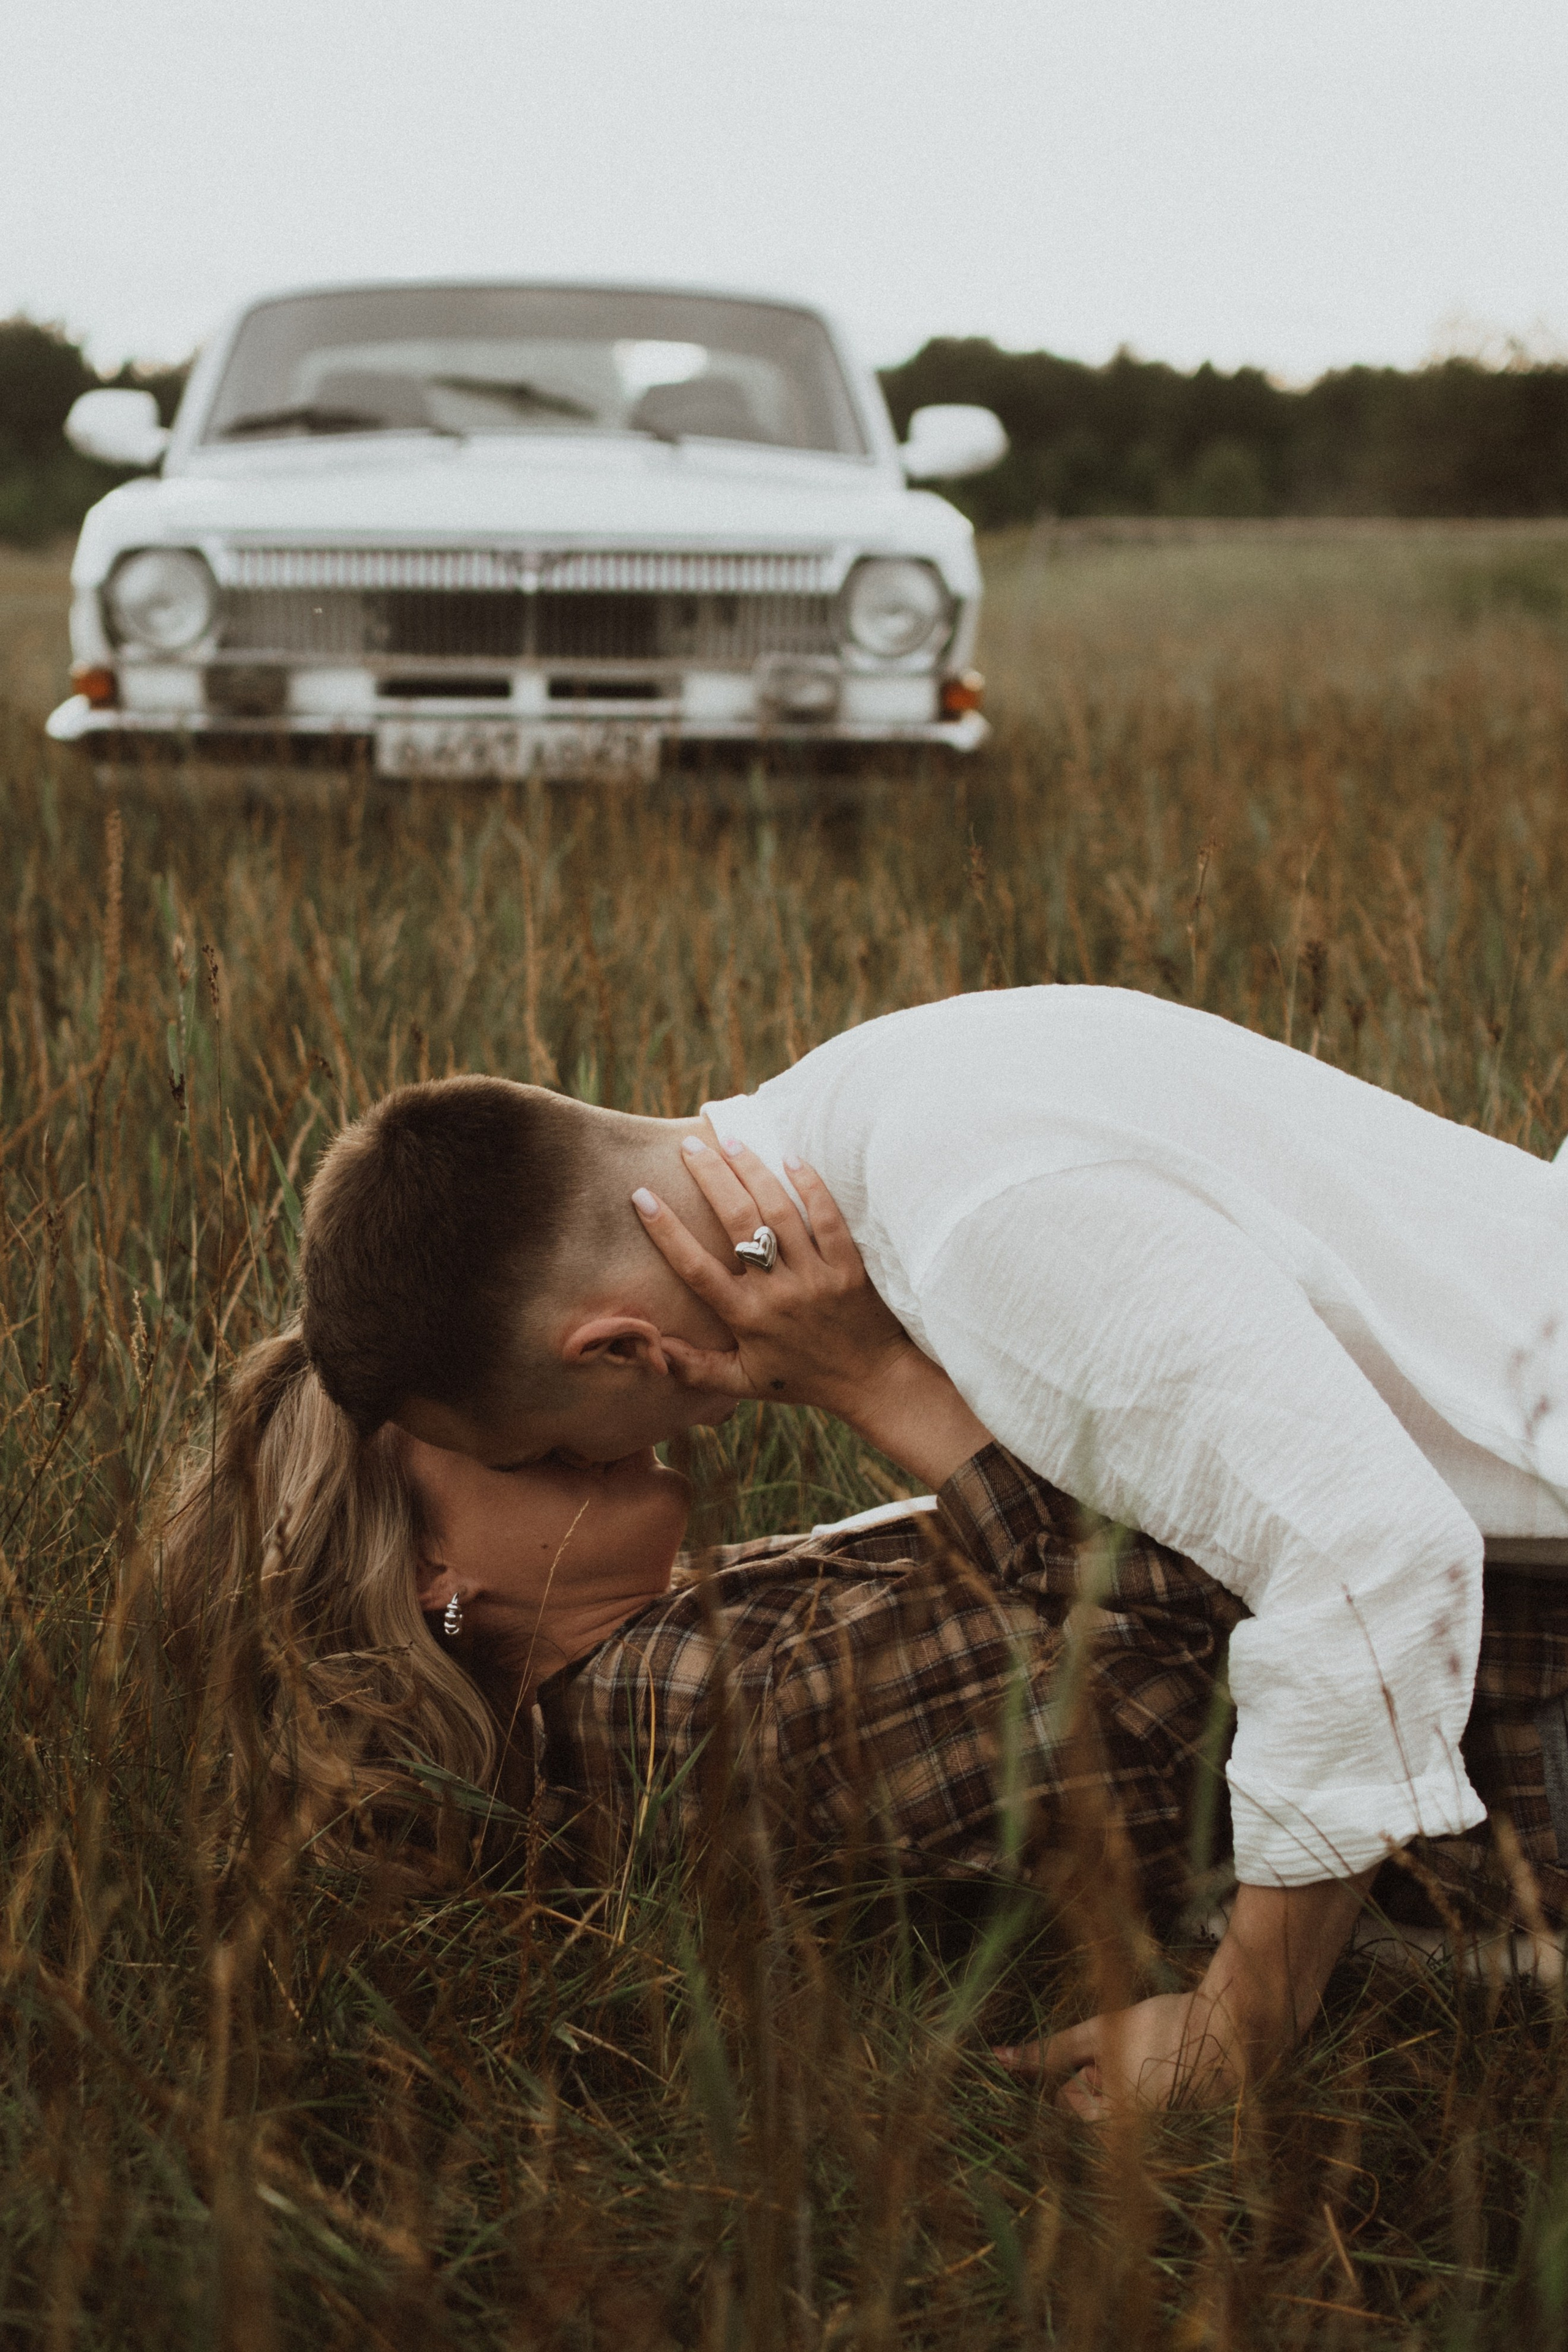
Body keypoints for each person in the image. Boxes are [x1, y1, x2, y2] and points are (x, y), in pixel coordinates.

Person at [297, 984, 1568, 2105]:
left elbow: (1375, 1566)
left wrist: (1241, 2025)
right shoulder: (889, 1091)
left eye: (542, 1446)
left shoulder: (966, 1218)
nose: (603, 1463)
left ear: (619, 1349)